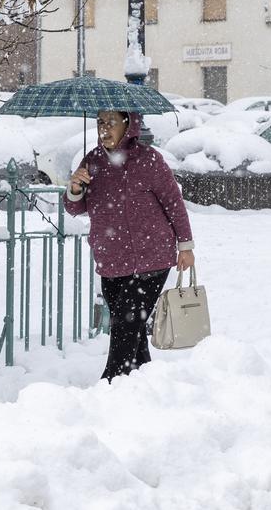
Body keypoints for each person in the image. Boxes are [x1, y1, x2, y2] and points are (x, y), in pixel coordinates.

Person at [64, 110, 195, 382]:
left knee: (126, 322)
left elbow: (173, 203)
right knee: (130, 325)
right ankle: (144, 379)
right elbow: (75, 208)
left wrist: (186, 245)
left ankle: (112, 381)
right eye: (100, 123)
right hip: (111, 259)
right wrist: (75, 187)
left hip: (151, 258)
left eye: (111, 123)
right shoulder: (93, 161)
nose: (104, 129)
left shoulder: (149, 160)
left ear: (129, 125)